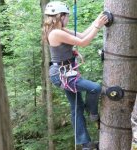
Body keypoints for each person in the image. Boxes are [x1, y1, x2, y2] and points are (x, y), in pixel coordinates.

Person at [43, 1, 108, 150]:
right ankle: (92, 112)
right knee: (95, 88)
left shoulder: (60, 29)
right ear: (60, 16)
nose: (68, 19)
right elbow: (84, 42)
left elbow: (83, 34)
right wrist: (98, 26)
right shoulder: (56, 33)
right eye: (66, 16)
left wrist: (97, 20)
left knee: (76, 107)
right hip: (63, 75)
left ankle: (86, 145)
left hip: (66, 72)